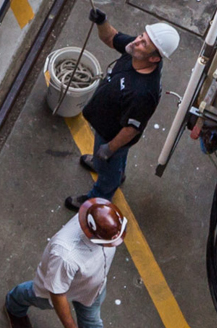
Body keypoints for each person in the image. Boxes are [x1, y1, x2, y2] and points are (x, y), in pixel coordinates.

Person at [5, 197, 125, 328]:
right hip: (57, 285)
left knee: (92, 322)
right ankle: (13, 305)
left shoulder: (102, 217)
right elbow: (57, 292)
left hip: (92, 287)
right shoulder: (65, 256)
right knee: (36, 296)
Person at [73, 14, 177, 209]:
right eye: (141, 36)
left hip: (112, 136)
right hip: (106, 125)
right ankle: (112, 169)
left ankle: (97, 199)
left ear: (154, 58)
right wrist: (101, 21)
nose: (137, 41)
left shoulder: (143, 93)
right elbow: (111, 38)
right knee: (112, 162)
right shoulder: (136, 50)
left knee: (108, 173)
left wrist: (109, 149)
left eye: (143, 43)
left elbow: (131, 129)